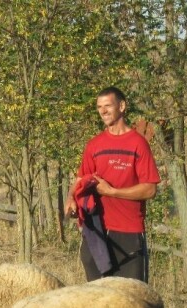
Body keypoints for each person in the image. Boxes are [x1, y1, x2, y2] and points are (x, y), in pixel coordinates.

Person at [65, 86, 160, 282]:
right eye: (99, 107)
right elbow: (80, 179)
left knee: (132, 300)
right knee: (97, 300)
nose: (103, 111)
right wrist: (70, 198)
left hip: (128, 231)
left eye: (108, 105)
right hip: (96, 232)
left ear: (122, 106)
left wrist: (112, 191)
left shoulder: (138, 143)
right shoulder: (94, 145)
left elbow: (150, 189)